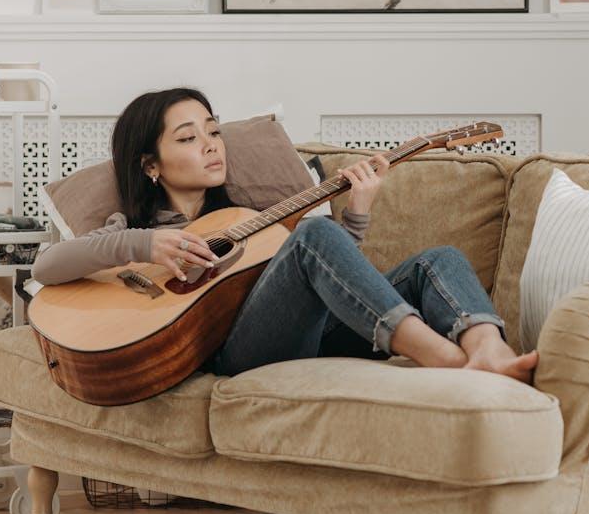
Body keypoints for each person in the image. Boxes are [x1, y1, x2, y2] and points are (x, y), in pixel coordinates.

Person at [31, 87, 538, 384]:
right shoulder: (131, 235)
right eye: (188, 139)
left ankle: (488, 349)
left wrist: (358, 211)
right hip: (235, 350)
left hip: (309, 335)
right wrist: (145, 244)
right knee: (313, 235)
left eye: (213, 132)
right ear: (149, 166)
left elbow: (332, 282)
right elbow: (46, 267)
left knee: (438, 259)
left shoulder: (244, 218)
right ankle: (443, 358)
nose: (210, 147)